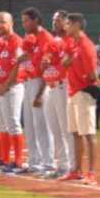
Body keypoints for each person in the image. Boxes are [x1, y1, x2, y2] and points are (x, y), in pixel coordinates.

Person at [57, 13, 100, 185]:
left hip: (84, 92)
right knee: (75, 133)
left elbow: (92, 73)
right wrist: (66, 63)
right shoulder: (73, 44)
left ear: (76, 25)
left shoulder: (86, 45)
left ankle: (92, 173)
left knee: (88, 133)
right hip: (73, 91)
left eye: (67, 24)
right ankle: (76, 170)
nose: (64, 27)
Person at [14, 8, 55, 176]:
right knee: (30, 126)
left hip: (40, 82)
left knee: (42, 126)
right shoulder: (29, 38)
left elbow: (47, 67)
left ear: (36, 20)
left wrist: (40, 93)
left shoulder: (46, 39)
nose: (24, 24)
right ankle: (34, 162)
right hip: (28, 81)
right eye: (23, 21)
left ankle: (48, 163)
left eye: (27, 21)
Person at [0, 12, 26, 174]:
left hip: (11, 88)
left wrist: (6, 84)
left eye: (2, 22)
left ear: (11, 23)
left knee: (12, 124)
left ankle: (17, 162)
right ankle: (4, 159)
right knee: (2, 125)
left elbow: (17, 65)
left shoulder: (16, 41)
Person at [39, 11, 74, 180]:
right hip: (50, 87)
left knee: (66, 128)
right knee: (55, 129)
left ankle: (73, 167)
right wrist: (44, 65)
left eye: (58, 19)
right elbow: (44, 64)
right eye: (53, 20)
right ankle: (63, 166)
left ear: (67, 22)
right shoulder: (53, 42)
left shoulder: (71, 41)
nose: (55, 22)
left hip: (63, 85)